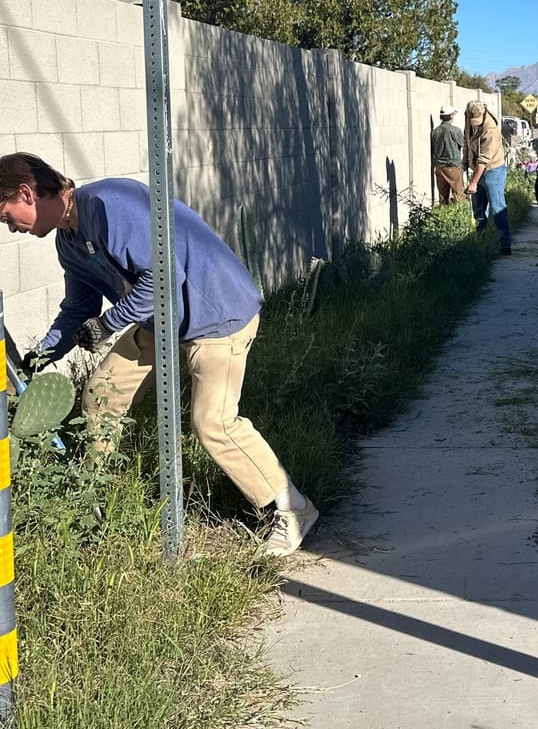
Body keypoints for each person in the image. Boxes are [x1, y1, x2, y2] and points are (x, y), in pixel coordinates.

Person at [0, 152, 318, 556]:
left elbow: (165, 276)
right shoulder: (69, 243)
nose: (11, 227)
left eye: (6, 216)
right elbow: (79, 308)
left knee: (213, 423)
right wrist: (41, 355)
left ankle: (293, 510)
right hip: (161, 323)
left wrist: (110, 323)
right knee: (101, 396)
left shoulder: (108, 204)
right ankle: (93, 505)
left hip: (216, 315)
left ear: (27, 193)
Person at [462, 101, 512, 255]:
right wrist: (465, 161)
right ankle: (481, 241)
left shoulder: (491, 130)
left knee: (497, 208)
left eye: (477, 120)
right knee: (478, 209)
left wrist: (474, 182)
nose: (475, 124)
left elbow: (484, 159)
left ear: (483, 113)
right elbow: (466, 142)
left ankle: (504, 245)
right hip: (477, 169)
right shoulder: (469, 120)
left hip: (493, 170)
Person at [431, 105, 465, 204]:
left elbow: (433, 150)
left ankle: (442, 217)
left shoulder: (435, 131)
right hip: (453, 166)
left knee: (442, 198)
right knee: (459, 196)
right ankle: (460, 218)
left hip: (439, 167)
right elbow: (464, 144)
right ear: (451, 116)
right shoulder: (455, 130)